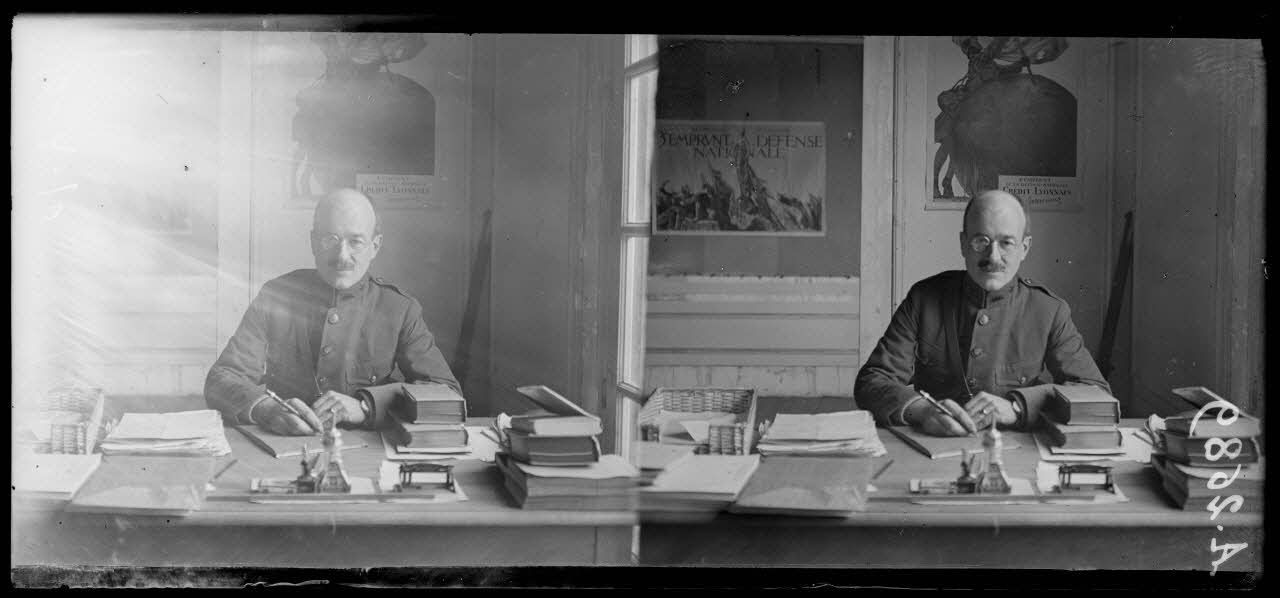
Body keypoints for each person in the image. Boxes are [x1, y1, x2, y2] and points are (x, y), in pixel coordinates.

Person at [855, 189, 1109, 436]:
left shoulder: (1049, 310)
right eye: (981, 241)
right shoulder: (924, 298)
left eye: (1006, 243)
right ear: (963, 244)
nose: (993, 257)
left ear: (1024, 248)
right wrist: (923, 411)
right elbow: (873, 381)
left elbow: (1095, 392)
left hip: (1015, 450)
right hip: (936, 443)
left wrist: (1017, 408)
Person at [206, 188, 460, 436]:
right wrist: (266, 409)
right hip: (285, 443)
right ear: (313, 242)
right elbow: (222, 378)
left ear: (375, 246)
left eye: (356, 242)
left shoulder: (399, 308)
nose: (342, 256)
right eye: (331, 239)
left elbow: (446, 392)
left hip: (369, 449)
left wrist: (366, 406)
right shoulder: (277, 295)